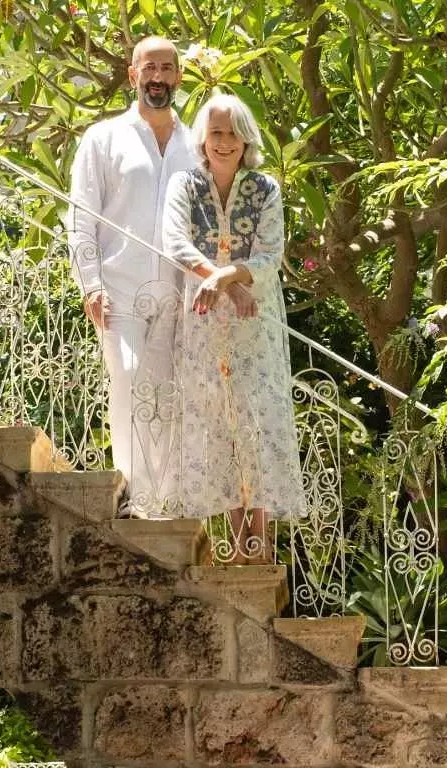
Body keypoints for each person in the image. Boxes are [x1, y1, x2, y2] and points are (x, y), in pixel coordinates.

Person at [161, 93, 307, 562]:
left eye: (232, 133)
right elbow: (174, 241)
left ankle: (258, 548)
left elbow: (269, 254)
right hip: (205, 322)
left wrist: (228, 278)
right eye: (216, 133)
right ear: (203, 139)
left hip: (253, 323)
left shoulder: (265, 189)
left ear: (246, 139)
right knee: (215, 422)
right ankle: (235, 545)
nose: (224, 142)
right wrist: (224, 282)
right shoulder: (185, 185)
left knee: (254, 422)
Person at [67, 36, 198, 517]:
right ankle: (136, 498)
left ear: (179, 76)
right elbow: (81, 215)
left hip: (182, 294)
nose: (158, 77)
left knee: (170, 395)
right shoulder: (103, 138)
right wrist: (90, 283)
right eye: (149, 68)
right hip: (118, 289)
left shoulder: (196, 144)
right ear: (132, 74)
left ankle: (166, 501)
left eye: (166, 68)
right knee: (126, 381)